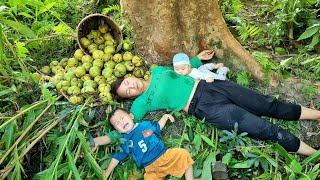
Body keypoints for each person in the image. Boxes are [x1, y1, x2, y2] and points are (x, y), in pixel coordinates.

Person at [109, 49, 320, 156]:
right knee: (261, 127)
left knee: (267, 104)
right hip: (204, 107)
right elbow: (123, 126)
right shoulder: (141, 103)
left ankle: (316, 114)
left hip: (210, 85)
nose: (131, 87)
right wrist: (100, 140)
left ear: (130, 76)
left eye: (127, 82)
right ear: (130, 98)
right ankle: (313, 153)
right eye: (127, 92)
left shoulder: (157, 70)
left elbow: (181, 71)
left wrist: (197, 59)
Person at [94, 108, 203, 180]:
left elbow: (157, 127)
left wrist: (164, 117)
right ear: (118, 130)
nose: (121, 122)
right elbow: (117, 157)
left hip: (165, 155)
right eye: (117, 123)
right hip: (150, 168)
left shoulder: (145, 125)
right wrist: (107, 172)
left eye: (122, 118)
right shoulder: (125, 140)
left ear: (131, 116)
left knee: (183, 154)